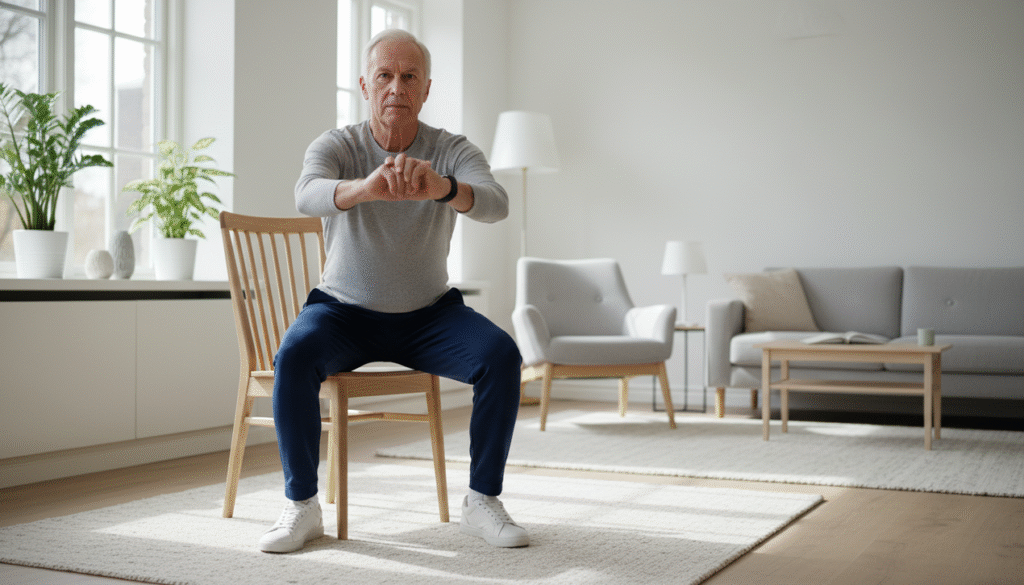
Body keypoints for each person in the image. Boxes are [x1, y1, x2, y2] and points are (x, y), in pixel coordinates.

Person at [257, 29, 527, 553]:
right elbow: (305, 194)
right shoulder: (337, 144)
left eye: (409, 78)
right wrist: (364, 189)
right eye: (384, 75)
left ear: (426, 90)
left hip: (429, 316)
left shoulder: (451, 149)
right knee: (293, 355)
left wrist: (443, 188)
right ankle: (302, 505)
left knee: (501, 355)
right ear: (365, 84)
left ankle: (481, 499)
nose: (395, 88)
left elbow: (496, 203)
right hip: (342, 313)